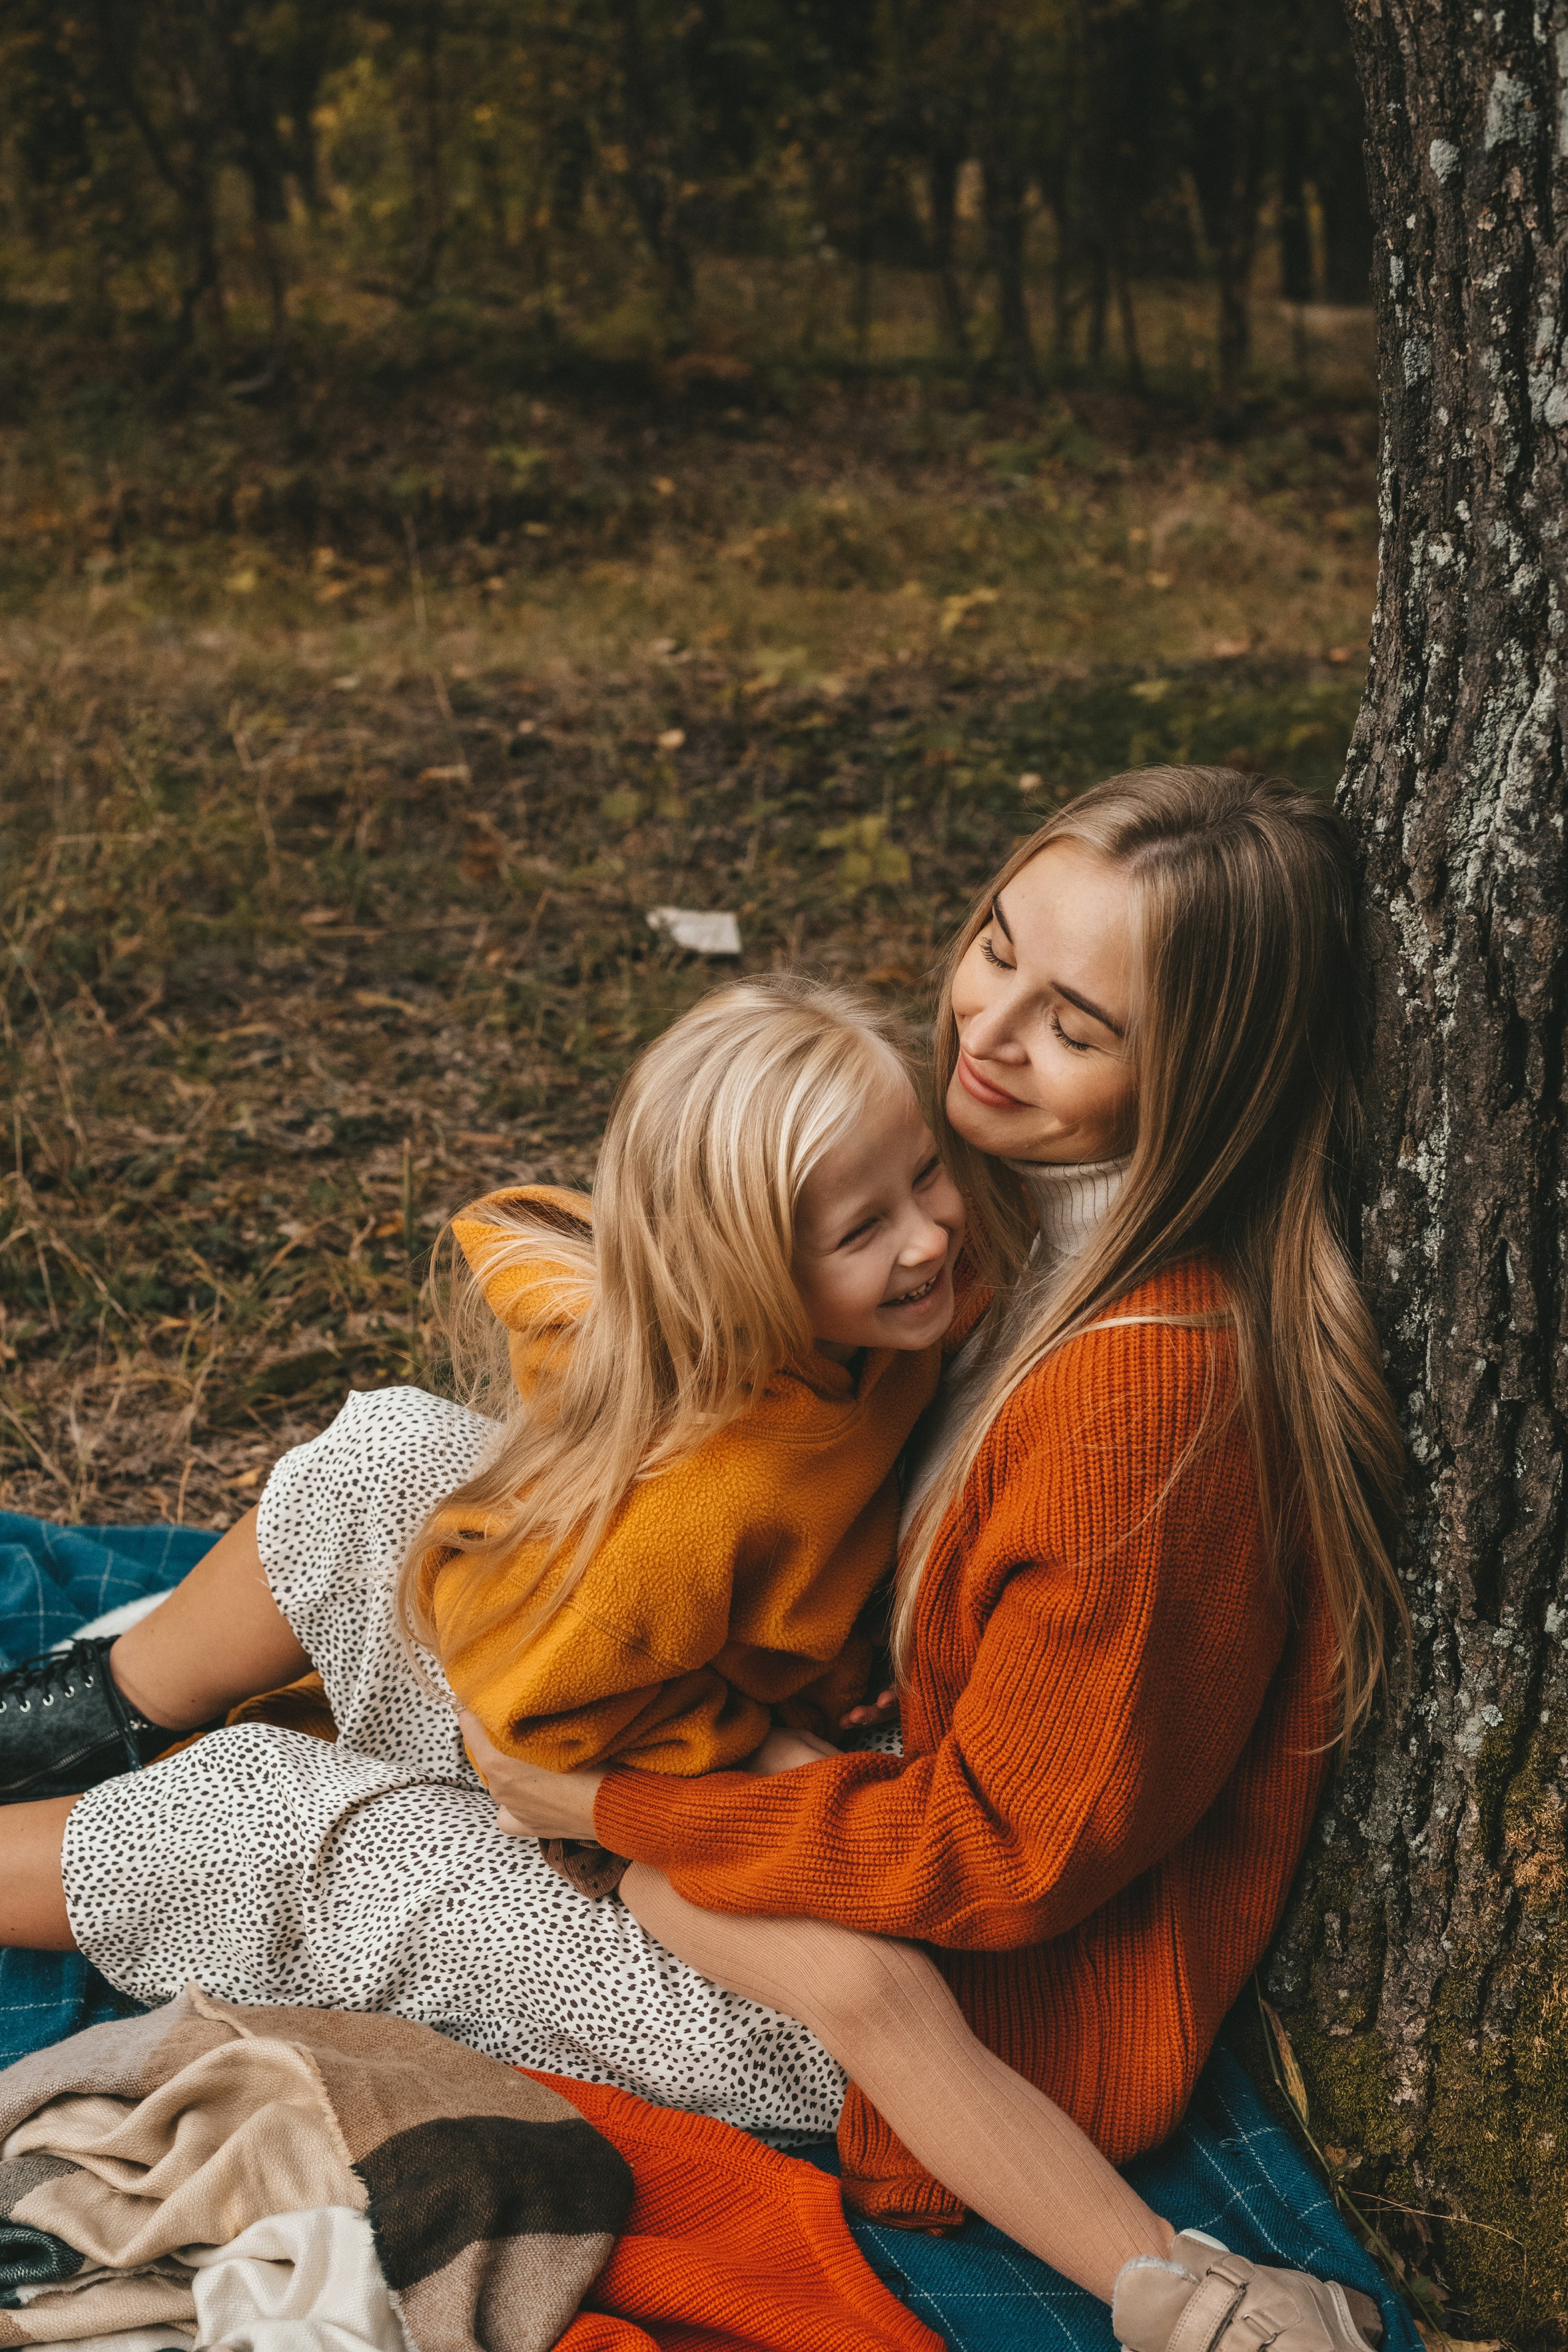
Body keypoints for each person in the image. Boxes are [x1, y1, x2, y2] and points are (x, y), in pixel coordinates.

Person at [0, 768, 1403, 2352]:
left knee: (273, 1828)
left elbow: (999, 1858)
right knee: (392, 1464)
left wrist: (601, 1804)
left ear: (1206, 1076)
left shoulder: (1146, 1407)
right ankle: (95, 1706)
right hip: (769, 1732)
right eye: (997, 947)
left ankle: (111, 1817)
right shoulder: (991, 1184)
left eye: (1077, 1025)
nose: (986, 1032)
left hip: (889, 1986)